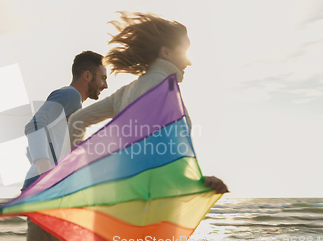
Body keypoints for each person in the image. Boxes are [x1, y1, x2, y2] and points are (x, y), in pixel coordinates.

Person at [68, 12, 229, 194]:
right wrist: (197, 180)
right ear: (165, 52)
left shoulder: (126, 92)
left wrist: (78, 172)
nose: (189, 61)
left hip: (120, 196)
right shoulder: (163, 89)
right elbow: (166, 151)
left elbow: (76, 121)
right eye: (184, 51)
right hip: (151, 202)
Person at [23, 50, 108, 241]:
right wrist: (46, 176)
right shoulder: (70, 95)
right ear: (87, 75)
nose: (105, 85)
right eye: (103, 78)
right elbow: (34, 126)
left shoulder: (76, 109)